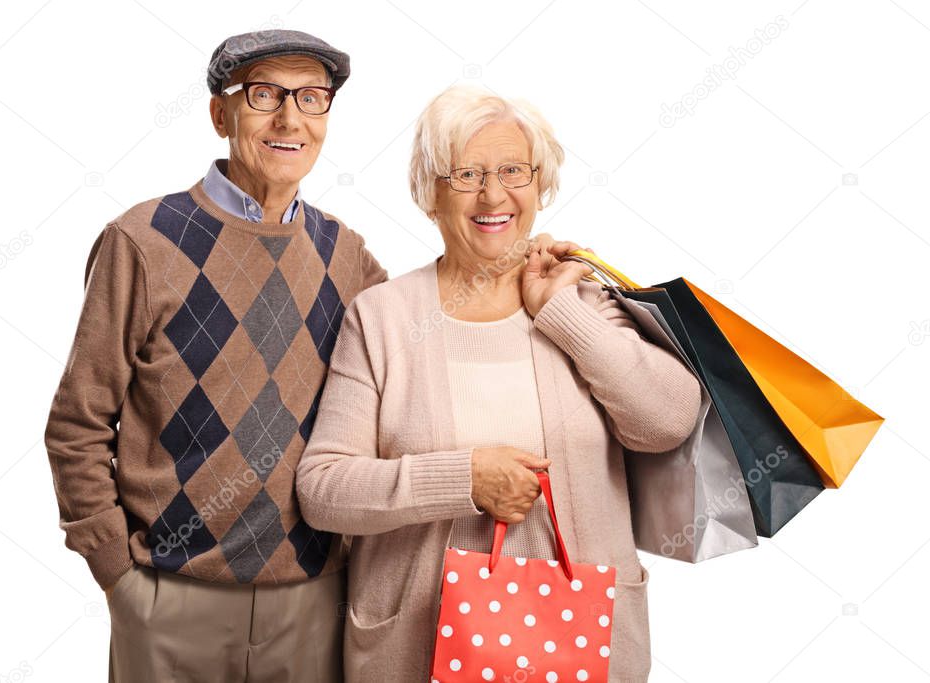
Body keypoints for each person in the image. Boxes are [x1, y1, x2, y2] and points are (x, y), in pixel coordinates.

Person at [44, 31, 578, 682]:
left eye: (312, 98)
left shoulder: (343, 254)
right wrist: (120, 579)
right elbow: (78, 423)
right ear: (221, 114)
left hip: (315, 600)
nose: (290, 118)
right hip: (170, 593)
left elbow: (427, 328)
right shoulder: (143, 241)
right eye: (264, 95)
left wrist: (523, 265)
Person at [296, 84, 703, 682]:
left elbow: (668, 421)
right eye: (466, 175)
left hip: (579, 646)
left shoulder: (582, 298)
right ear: (430, 193)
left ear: (540, 183)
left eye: (513, 170)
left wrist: (561, 316)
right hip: (415, 646)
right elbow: (324, 489)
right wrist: (463, 480)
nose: (494, 195)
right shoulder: (382, 316)